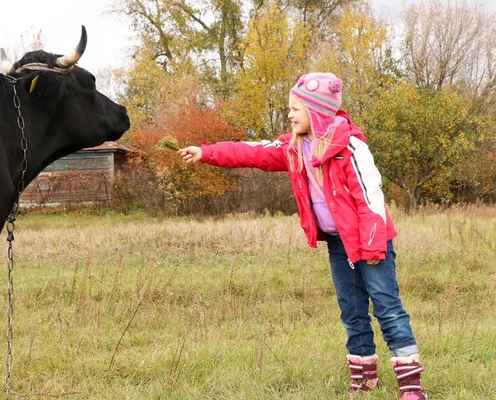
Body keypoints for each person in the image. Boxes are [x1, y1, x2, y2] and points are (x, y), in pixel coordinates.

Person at [178, 72, 427, 399]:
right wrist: (207, 152)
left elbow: (371, 200)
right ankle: (364, 381)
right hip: (338, 244)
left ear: (318, 111)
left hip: (370, 243)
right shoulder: (294, 147)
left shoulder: (350, 147)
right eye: (289, 109)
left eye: (296, 108)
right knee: (351, 309)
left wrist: (372, 246)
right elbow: (252, 152)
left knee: (387, 307)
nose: (290, 114)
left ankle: (411, 387)